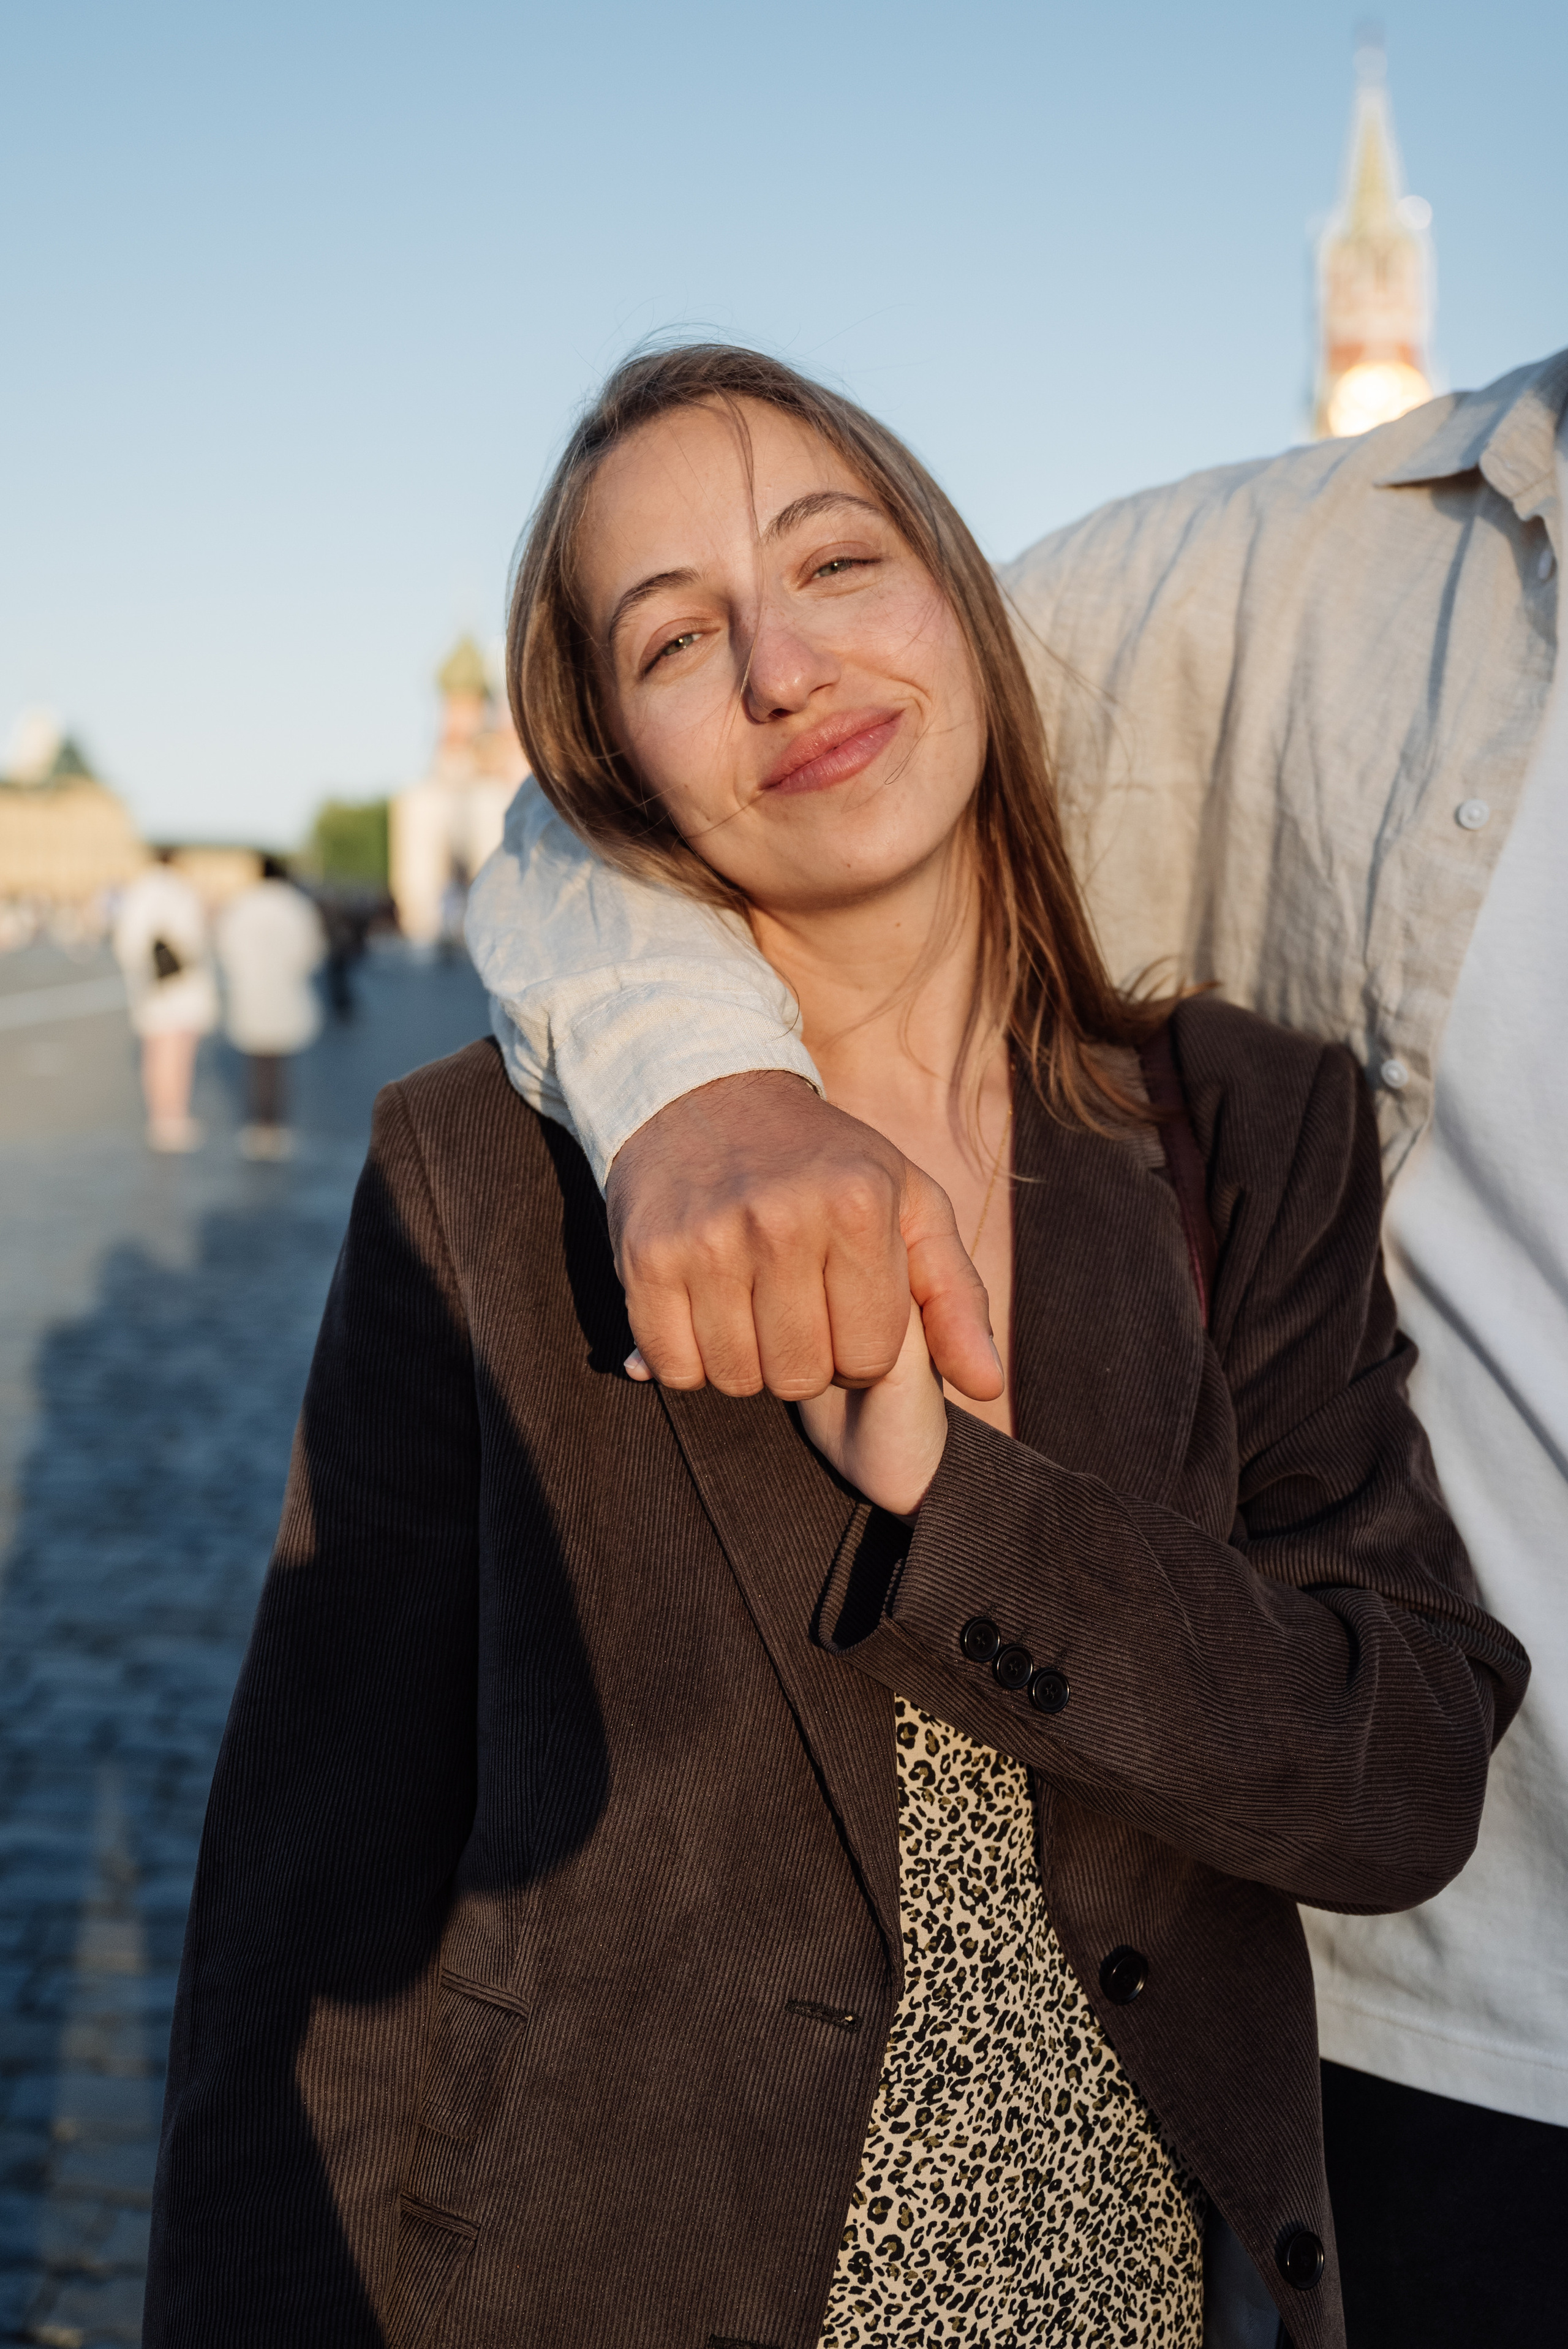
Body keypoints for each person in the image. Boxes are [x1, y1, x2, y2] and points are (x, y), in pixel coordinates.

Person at [146, 347, 1526, 2349]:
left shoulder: (1241, 1125)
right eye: (679, 636)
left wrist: (952, 1505)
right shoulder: (486, 1173)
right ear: (610, 757)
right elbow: (313, 1875)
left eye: (838, 562)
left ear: (965, 604)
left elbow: (1399, 1780)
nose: (787, 669)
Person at [214, 853, 327, 1160]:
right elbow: (312, 950)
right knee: (279, 1063)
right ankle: (276, 1125)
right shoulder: (297, 906)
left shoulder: (241, 905)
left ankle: (258, 1125)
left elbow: (225, 947)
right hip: (285, 991)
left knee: (256, 1062)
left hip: (250, 992)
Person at [111, 849, 219, 1153]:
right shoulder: (182, 891)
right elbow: (196, 938)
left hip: (153, 985)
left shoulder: (140, 890)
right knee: (179, 1055)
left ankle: (161, 1118)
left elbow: (127, 943)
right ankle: (174, 1116)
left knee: (156, 1053)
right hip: (184, 983)